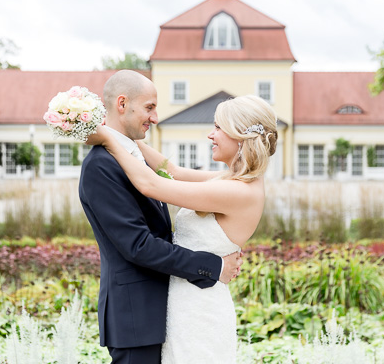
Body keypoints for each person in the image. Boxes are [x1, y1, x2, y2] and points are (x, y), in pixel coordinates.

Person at [90, 93, 279, 363]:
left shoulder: (238, 192)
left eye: (218, 128)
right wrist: (122, 133)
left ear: (240, 136)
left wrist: (108, 138)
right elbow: (173, 171)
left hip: (199, 310)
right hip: (184, 299)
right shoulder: (230, 179)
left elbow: (152, 185)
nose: (210, 135)